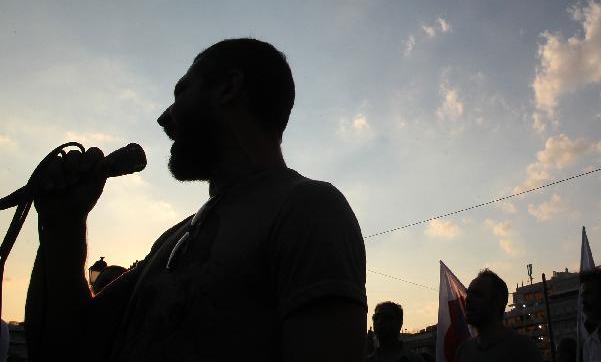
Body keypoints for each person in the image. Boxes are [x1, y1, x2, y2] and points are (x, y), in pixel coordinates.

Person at [25, 38, 367, 362]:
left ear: (228, 88)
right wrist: (63, 227)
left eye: (182, 91)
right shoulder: (170, 241)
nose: (165, 117)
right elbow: (65, 348)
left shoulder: (310, 209)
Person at [455, 269, 541, 362]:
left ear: (497, 302)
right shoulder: (464, 351)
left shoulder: (523, 349)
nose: (468, 300)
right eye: (469, 294)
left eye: (477, 294)